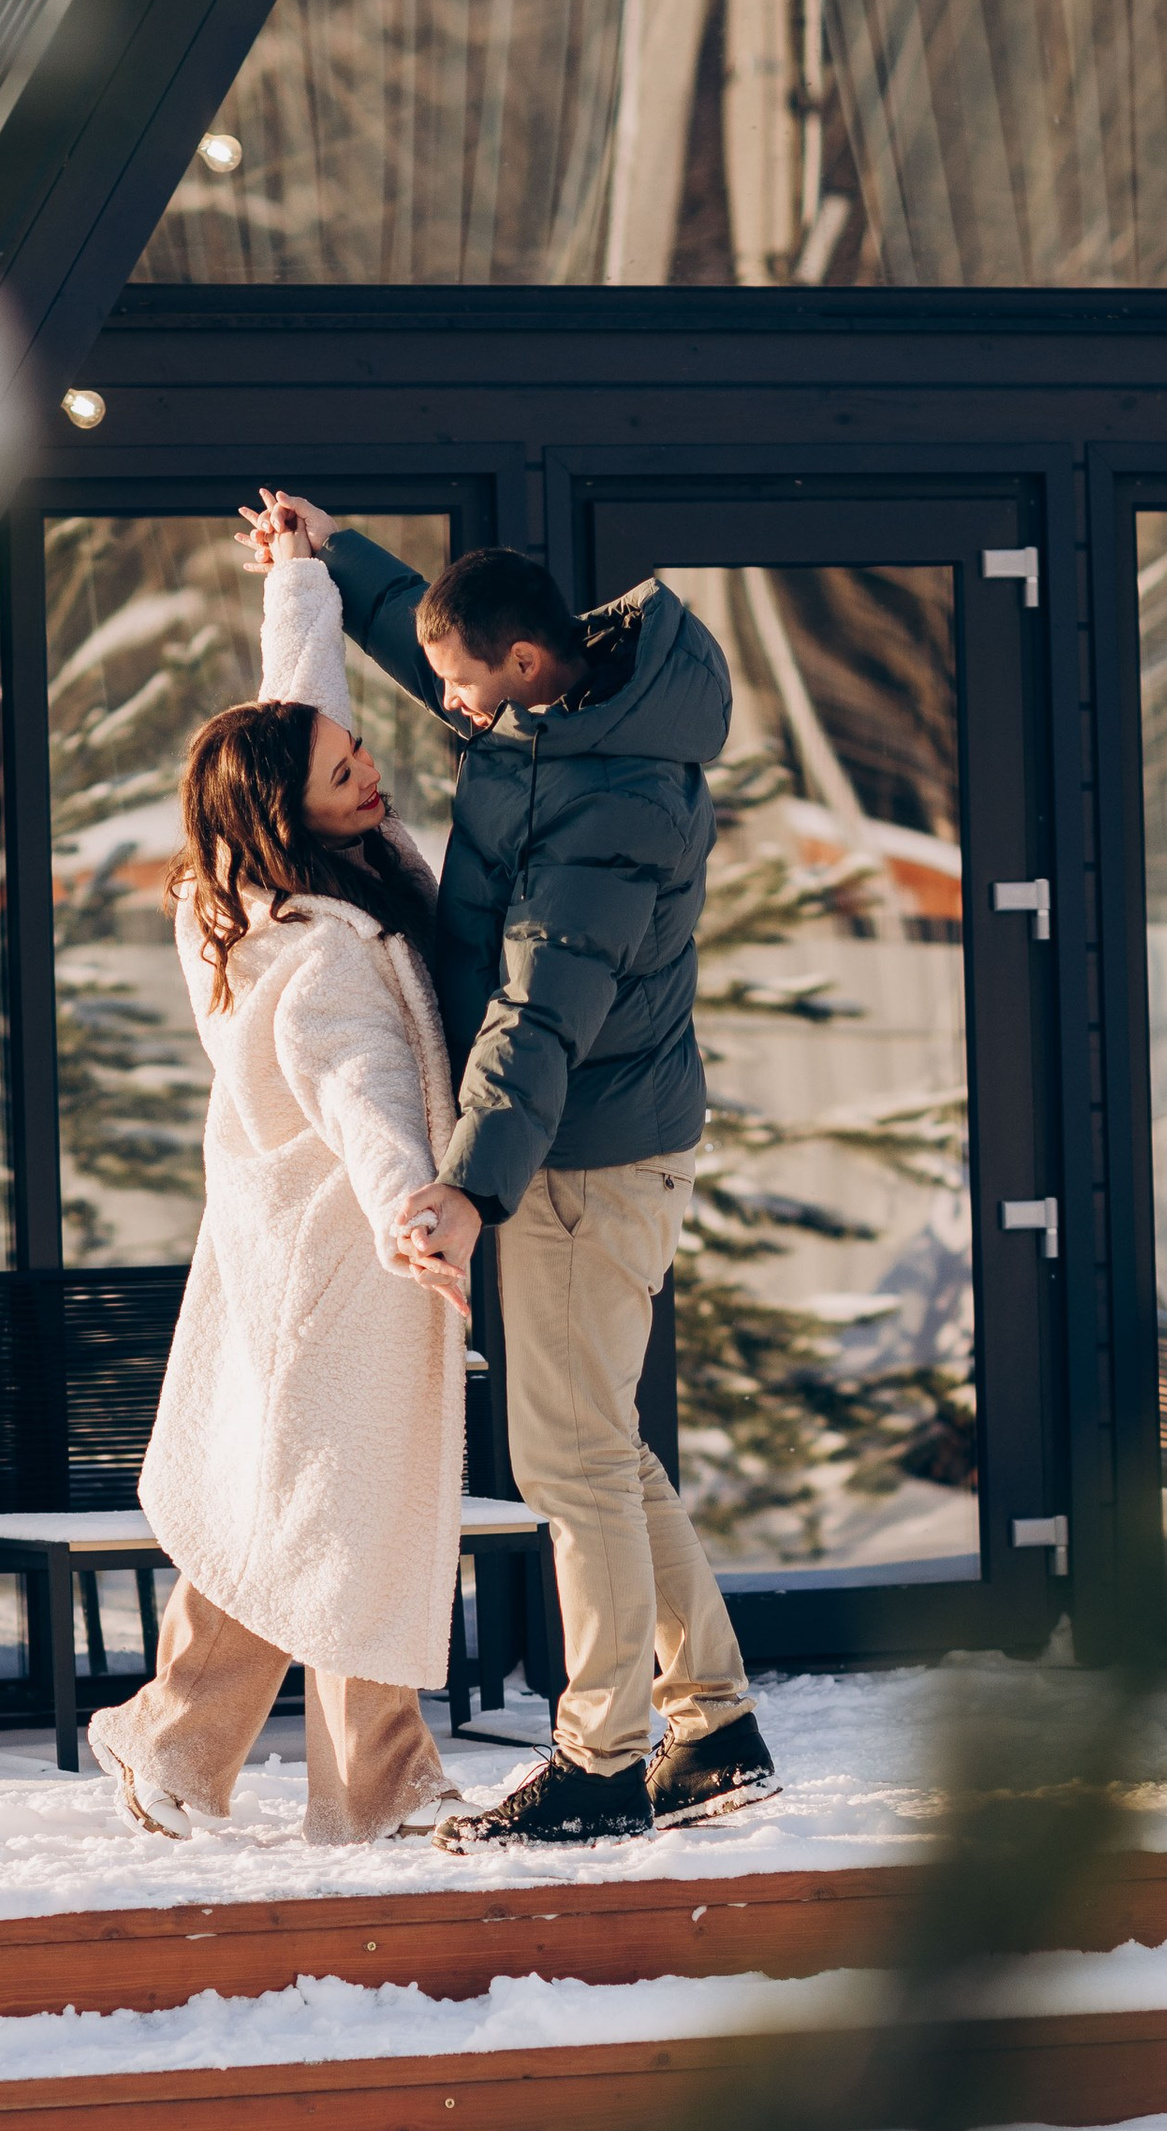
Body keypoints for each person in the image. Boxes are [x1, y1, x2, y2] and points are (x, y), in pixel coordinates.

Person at [237, 492, 781, 1849]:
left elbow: (544, 1017)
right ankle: (710, 1721)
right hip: (578, 1149)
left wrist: (473, 1195)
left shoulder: (611, 807)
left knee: (574, 1469)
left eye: (466, 691)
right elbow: (443, 640)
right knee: (604, 1447)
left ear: (529, 668)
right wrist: (333, 558)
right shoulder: (561, 714)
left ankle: (601, 1761)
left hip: (581, 1162)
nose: (449, 711)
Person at [85, 518, 472, 1847]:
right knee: (334, 1519)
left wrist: (299, 584)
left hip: (300, 1254)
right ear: (284, 811)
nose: (368, 774)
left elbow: (301, 707)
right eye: (342, 773)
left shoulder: (255, 880)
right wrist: (410, 1212)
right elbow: (359, 1093)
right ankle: (369, 1784)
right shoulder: (311, 950)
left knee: (297, 1513)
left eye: (360, 758)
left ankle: (178, 1744)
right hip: (337, 1262)